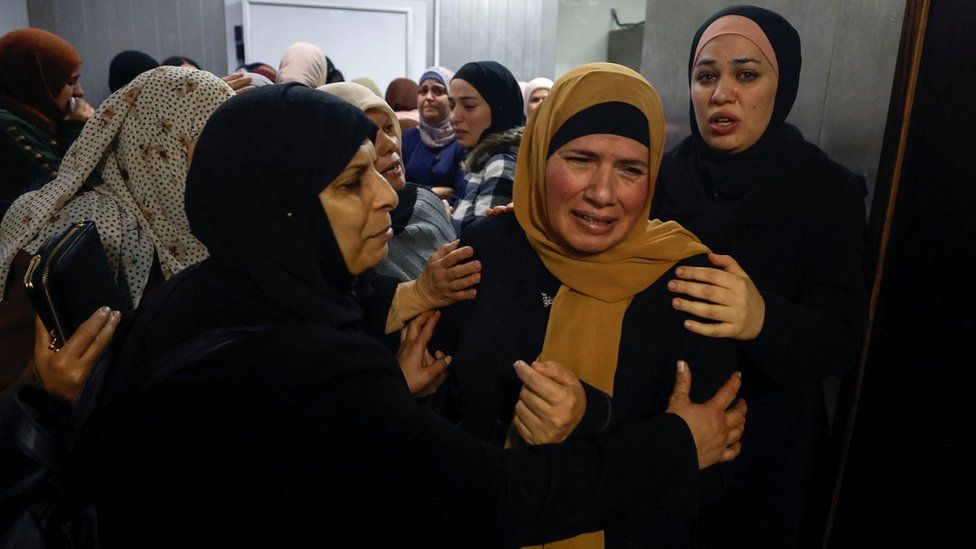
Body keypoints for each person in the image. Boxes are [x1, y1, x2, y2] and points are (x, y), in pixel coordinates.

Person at [84, 83, 745, 547]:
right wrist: (668, 442)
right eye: (350, 181)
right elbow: (485, 496)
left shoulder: (206, 288)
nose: (387, 195)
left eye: (630, 168)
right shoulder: (320, 364)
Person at [429, 62, 744, 547]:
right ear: (539, 155)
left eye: (630, 169)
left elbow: (712, 470)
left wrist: (592, 419)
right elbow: (442, 406)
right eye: (580, 159)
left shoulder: (688, 280)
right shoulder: (491, 249)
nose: (602, 193)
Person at [649, 6, 868, 547]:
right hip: (655, 424)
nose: (722, 94)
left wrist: (761, 318)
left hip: (766, 448)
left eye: (746, 75)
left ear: (782, 84)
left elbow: (841, 340)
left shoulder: (825, 190)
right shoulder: (658, 176)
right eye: (706, 76)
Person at [0, 67, 235, 393]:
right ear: (155, 146)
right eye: (210, 151)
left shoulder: (189, 225)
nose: (230, 171)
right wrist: (47, 388)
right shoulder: (77, 234)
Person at [319, 82, 458, 282]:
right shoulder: (330, 243)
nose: (390, 144)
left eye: (390, 128)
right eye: (367, 136)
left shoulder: (425, 203)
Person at [0, 28, 92, 220]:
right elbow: (66, 199)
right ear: (34, 81)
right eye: (70, 82)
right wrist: (75, 130)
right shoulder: (7, 127)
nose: (79, 92)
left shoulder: (41, 121)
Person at [450, 61, 524, 233]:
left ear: (500, 108)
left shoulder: (502, 162)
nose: (454, 117)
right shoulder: (482, 157)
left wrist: (441, 223)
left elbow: (481, 241)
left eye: (469, 106)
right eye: (452, 105)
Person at [402, 66, 465, 201]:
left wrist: (412, 190)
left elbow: (460, 194)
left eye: (438, 91)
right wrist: (432, 191)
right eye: (423, 91)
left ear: (451, 99)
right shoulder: (407, 138)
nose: (429, 97)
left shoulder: (462, 138)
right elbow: (396, 188)